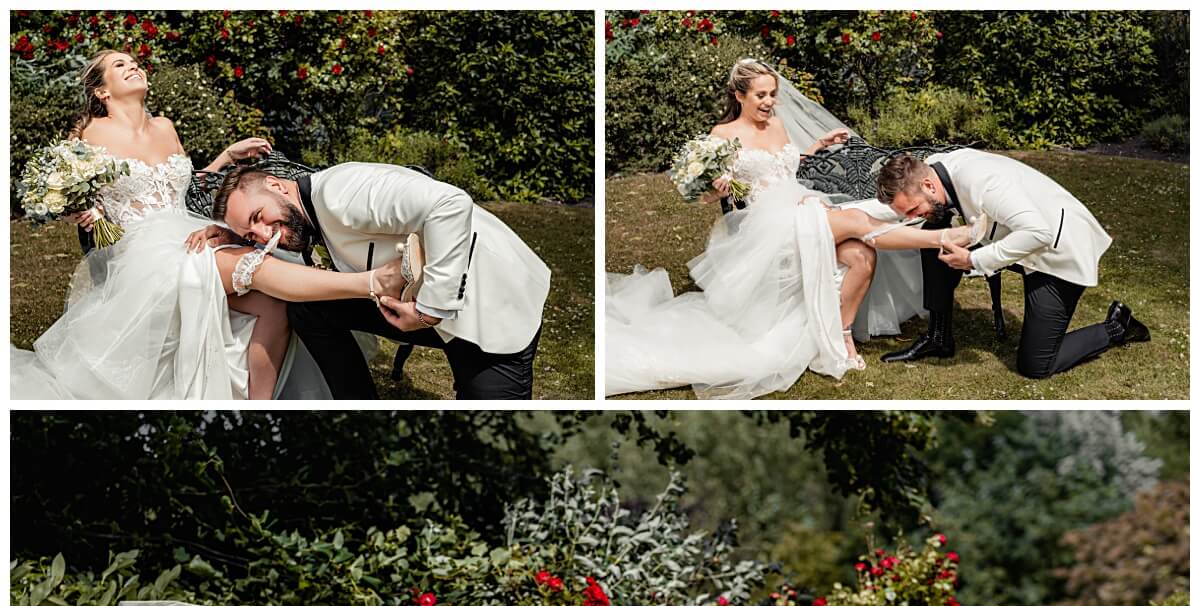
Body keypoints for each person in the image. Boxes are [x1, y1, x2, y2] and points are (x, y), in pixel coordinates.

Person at [10, 50, 411, 401]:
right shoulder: (91, 135)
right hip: (144, 251)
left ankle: (259, 402)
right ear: (101, 91)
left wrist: (225, 156)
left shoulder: (164, 126)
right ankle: (373, 282)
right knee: (258, 269)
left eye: (134, 62)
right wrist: (81, 210)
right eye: (119, 65)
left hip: (187, 227)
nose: (134, 67)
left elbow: (183, 183)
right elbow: (63, 190)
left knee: (274, 303)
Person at [604, 58, 975, 399]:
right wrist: (716, 188)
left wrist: (815, 147)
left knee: (863, 254)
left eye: (772, 94)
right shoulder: (722, 135)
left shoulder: (778, 124)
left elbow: (785, 166)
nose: (769, 102)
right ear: (739, 95)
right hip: (765, 225)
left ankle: (840, 335)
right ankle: (943, 236)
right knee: (859, 221)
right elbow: (702, 195)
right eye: (761, 95)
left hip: (803, 206)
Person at [207, 160, 552, 401]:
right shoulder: (301, 214)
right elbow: (282, 265)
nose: (266, 235)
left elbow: (450, 203)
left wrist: (430, 309)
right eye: (252, 234)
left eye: (258, 217)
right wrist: (233, 238)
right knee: (309, 306)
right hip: (417, 307)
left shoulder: (341, 192)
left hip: (489, 307)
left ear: (276, 184)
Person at [874, 150, 1149, 377]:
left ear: (928, 186)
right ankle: (938, 338)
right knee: (932, 237)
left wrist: (972, 259)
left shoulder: (984, 184)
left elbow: (1039, 233)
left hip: (1057, 251)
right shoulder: (933, 170)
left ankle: (1118, 327)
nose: (912, 216)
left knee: (1037, 365)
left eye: (912, 209)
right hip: (1011, 237)